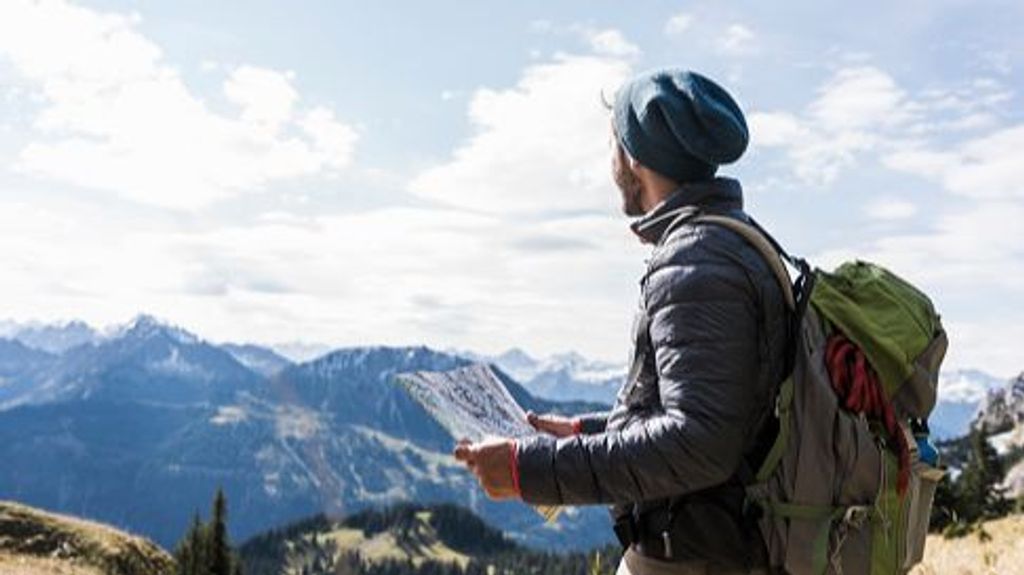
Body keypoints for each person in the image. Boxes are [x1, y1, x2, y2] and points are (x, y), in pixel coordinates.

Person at [453, 68, 791, 575]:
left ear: (634, 157)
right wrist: (591, 431)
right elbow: (725, 413)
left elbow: (699, 443)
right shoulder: (726, 243)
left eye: (614, 145)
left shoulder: (696, 263)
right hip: (714, 547)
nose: (611, 163)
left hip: (692, 556)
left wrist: (528, 470)